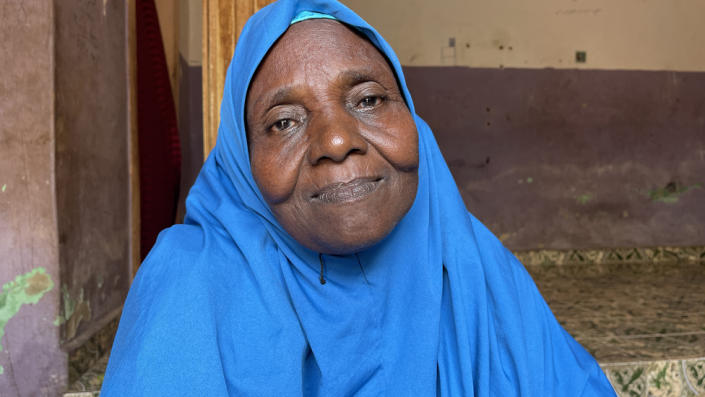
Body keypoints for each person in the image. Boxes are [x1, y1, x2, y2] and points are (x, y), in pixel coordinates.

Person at [101, 0, 616, 395]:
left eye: (368, 99)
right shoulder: (189, 290)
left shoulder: (474, 269)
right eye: (284, 122)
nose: (335, 141)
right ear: (242, 161)